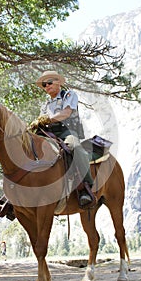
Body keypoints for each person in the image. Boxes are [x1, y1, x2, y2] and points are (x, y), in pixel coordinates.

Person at [35, 70, 96, 208]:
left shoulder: (68, 95)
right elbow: (41, 120)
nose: (47, 86)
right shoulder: (45, 104)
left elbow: (66, 113)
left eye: (49, 82)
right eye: (44, 84)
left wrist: (48, 119)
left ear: (58, 82)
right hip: (48, 133)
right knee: (29, 147)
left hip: (66, 131)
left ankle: (85, 188)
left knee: (74, 147)